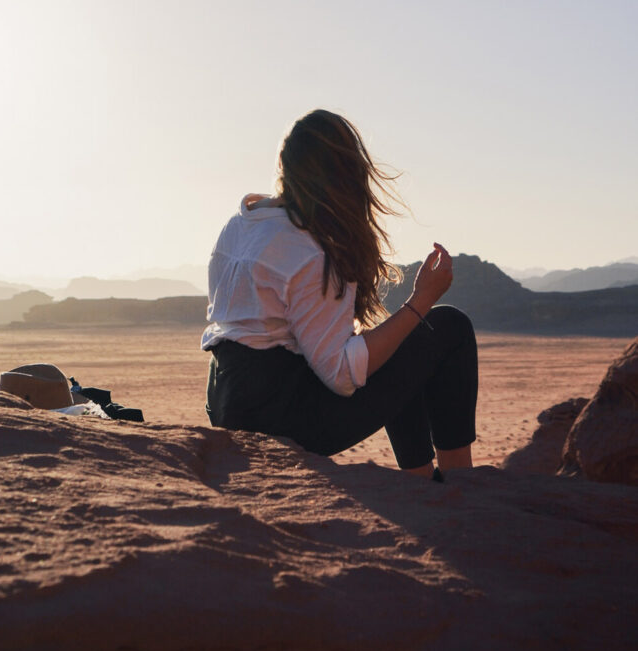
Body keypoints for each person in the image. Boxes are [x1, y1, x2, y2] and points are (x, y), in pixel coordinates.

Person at [201, 110, 478, 479]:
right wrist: (422, 300)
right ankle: (458, 481)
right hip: (284, 420)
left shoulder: (241, 224)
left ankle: (421, 480)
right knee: (448, 327)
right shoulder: (310, 249)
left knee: (398, 341)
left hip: (227, 402)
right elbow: (341, 375)